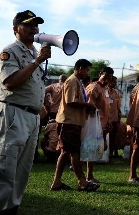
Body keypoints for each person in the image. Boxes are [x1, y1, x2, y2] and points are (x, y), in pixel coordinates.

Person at [0, 9, 51, 215]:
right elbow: (10, 82)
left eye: (36, 24)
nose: (34, 28)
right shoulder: (10, 51)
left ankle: (10, 209)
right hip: (13, 115)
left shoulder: (34, 54)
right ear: (15, 29)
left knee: (22, 172)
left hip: (31, 117)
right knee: (4, 168)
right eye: (28, 24)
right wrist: (36, 62)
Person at [50, 59, 99, 192]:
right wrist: (88, 105)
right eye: (87, 70)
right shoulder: (72, 81)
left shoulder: (77, 82)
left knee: (65, 152)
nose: (87, 73)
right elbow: (71, 102)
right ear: (80, 68)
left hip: (72, 122)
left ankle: (57, 182)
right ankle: (82, 182)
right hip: (68, 122)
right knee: (74, 152)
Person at [85, 66, 114, 183]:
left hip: (102, 124)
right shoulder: (94, 87)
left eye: (109, 79)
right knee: (91, 149)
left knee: (97, 149)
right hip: (93, 124)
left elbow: (106, 108)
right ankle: (87, 176)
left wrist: (108, 122)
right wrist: (96, 122)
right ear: (100, 74)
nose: (107, 80)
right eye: (105, 77)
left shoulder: (105, 89)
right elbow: (90, 105)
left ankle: (88, 175)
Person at [108, 76, 122, 161]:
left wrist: (118, 118)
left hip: (114, 119)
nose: (115, 84)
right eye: (113, 82)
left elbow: (118, 107)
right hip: (106, 119)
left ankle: (112, 154)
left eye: (115, 82)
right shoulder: (105, 91)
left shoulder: (116, 92)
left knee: (113, 137)